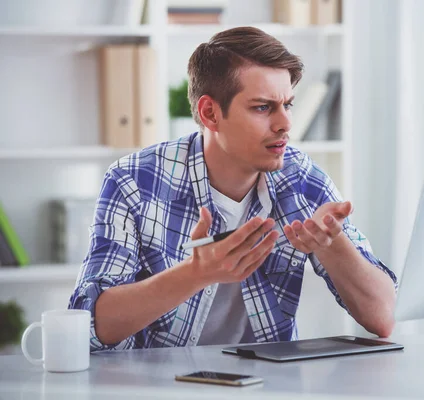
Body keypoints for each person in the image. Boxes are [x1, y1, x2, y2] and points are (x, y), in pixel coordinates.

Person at [68, 26, 397, 352]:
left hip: (268, 384)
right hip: (158, 384)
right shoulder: (134, 181)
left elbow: (383, 317)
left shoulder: (303, 180)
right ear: (210, 113)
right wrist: (195, 274)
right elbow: (90, 327)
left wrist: (331, 243)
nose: (285, 123)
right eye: (263, 107)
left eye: (288, 105)